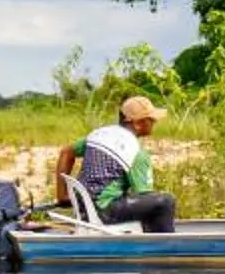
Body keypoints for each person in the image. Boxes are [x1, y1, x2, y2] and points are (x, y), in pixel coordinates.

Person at [56, 95, 177, 233]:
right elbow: (143, 194)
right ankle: (164, 246)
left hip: (83, 208)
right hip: (104, 212)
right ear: (137, 123)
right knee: (165, 202)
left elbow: (66, 152)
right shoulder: (136, 152)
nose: (154, 122)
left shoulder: (99, 134)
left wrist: (62, 196)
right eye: (150, 119)